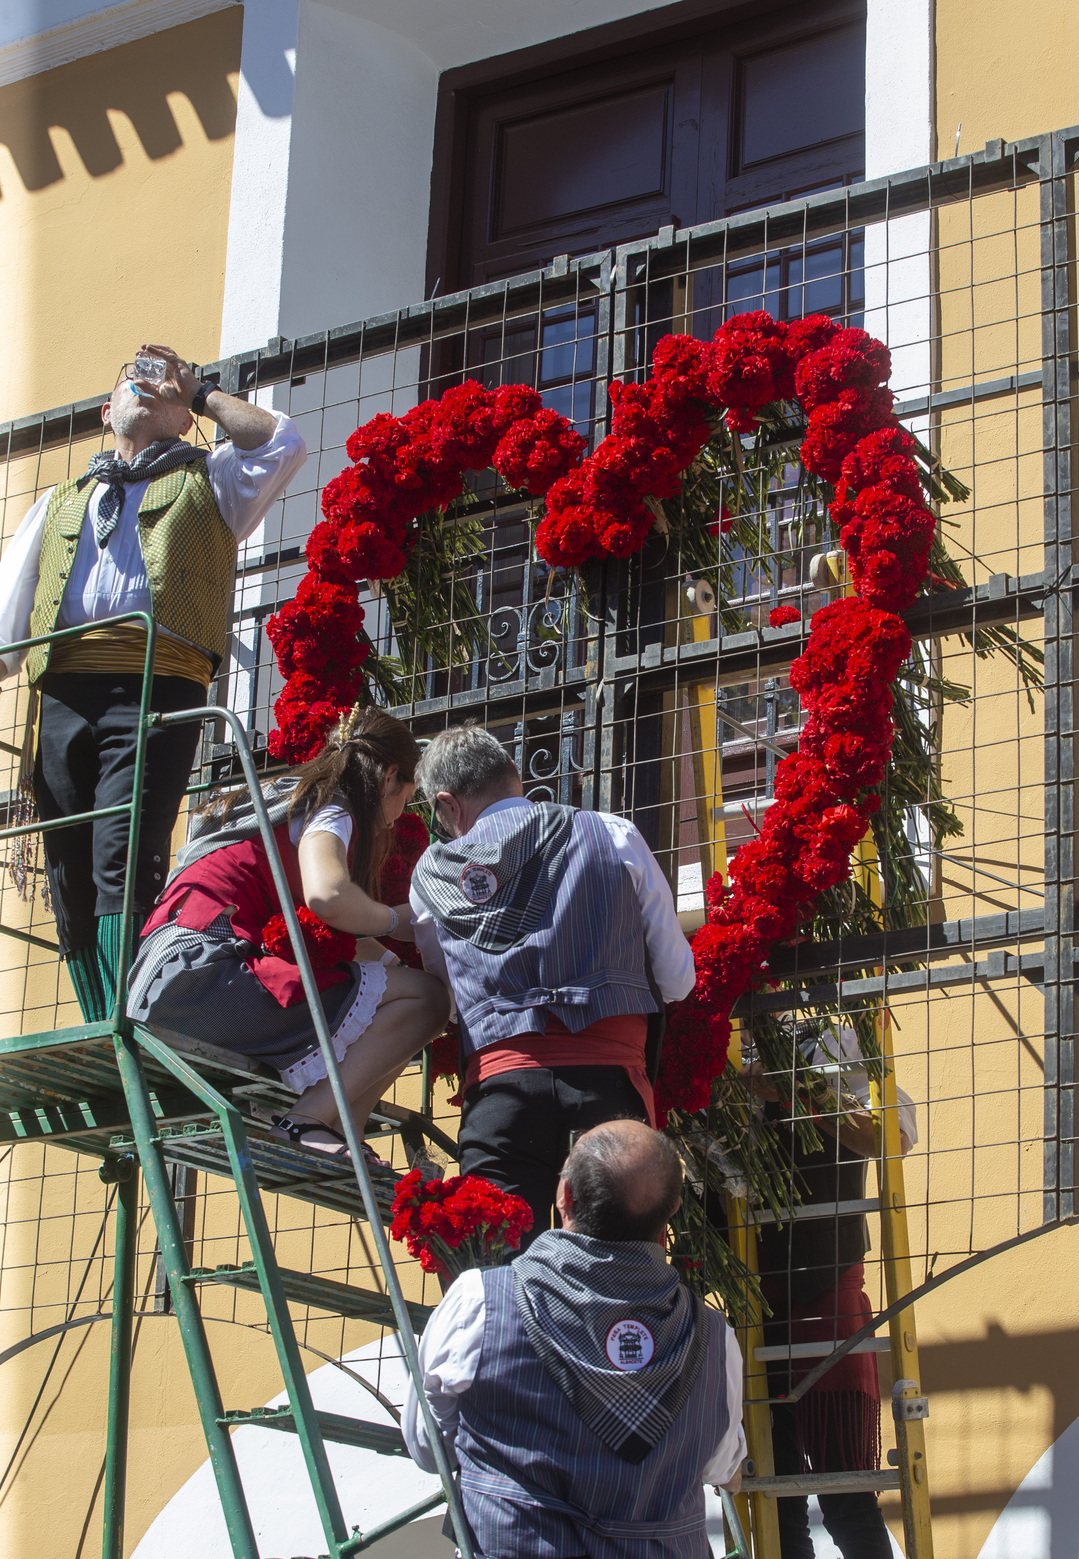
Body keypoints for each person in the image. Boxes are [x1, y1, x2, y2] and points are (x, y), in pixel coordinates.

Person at [399, 1118, 745, 1559]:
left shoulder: (479, 1300)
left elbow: (424, 1446)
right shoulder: (712, 1333)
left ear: (562, 1198)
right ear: (673, 1214)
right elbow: (719, 1464)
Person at [0, 343, 307, 1022]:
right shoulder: (59, 504)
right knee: (66, 868)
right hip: (63, 694)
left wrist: (198, 395)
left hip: (155, 686)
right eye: (130, 383)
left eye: (161, 388)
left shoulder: (212, 481)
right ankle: (97, 1011)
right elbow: (5, 630)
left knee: (124, 851)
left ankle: (126, 1014)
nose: (146, 388)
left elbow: (282, 442)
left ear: (179, 417)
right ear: (108, 411)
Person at [127, 706, 449, 1164]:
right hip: (201, 977)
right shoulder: (332, 809)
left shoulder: (293, 805)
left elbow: (334, 925)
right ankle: (307, 1121)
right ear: (390, 776)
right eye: (406, 798)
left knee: (415, 999)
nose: (399, 816)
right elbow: (329, 896)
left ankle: (342, 1129)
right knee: (428, 1001)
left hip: (165, 982)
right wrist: (402, 922)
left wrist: (399, 966)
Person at [408, 725, 695, 1239]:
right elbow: (677, 979)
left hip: (501, 1092)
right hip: (610, 1081)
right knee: (620, 1261)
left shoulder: (431, 875)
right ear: (513, 778)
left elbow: (449, 1000)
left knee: (494, 1267)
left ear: (448, 805)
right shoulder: (611, 833)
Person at [735, 1022, 917, 1559]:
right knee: (778, 1507)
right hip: (754, 1306)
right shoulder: (725, 1044)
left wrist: (805, 1095)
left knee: (847, 1501)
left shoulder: (839, 1039)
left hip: (825, 1295)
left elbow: (896, 1129)